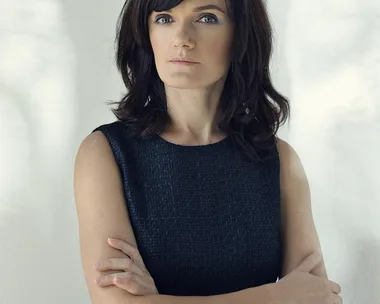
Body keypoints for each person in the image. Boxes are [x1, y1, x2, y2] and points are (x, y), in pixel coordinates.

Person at [73, 0, 342, 303]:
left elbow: (317, 298)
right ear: (145, 33)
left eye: (206, 18)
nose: (182, 38)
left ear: (240, 35)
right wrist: (275, 296)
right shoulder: (105, 154)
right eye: (164, 19)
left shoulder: (279, 162)